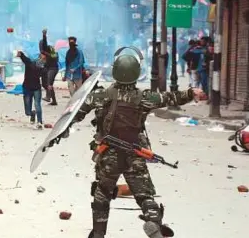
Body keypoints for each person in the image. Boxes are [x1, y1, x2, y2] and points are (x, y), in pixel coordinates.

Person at [68, 47, 203, 238]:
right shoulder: (145, 98)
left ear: (115, 71)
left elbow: (75, 113)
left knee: (102, 193)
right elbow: (170, 97)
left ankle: (98, 232)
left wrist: (61, 132)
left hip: (108, 155)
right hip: (135, 152)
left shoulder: (100, 96)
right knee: (144, 194)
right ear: (136, 74)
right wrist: (191, 92)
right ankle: (153, 222)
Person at [17, 50, 45, 129]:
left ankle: (39, 122)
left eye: (43, 60)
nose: (42, 61)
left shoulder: (43, 69)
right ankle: (32, 114)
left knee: (37, 104)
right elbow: (25, 59)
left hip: (36, 88)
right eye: (41, 59)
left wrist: (48, 85)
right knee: (27, 112)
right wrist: (21, 54)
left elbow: (45, 79)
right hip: (27, 88)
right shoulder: (30, 63)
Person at [40, 29, 59, 105]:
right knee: (44, 83)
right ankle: (53, 100)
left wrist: (44, 35)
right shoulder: (42, 52)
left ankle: (48, 97)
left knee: (49, 82)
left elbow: (55, 58)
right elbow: (41, 61)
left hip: (53, 68)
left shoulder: (51, 49)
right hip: (47, 68)